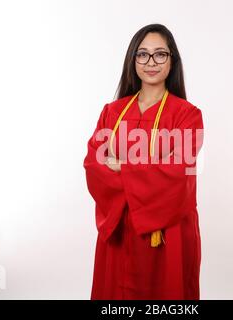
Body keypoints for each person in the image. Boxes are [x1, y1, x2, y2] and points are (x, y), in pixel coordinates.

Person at [83, 23, 204, 300]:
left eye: (160, 54)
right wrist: (148, 169)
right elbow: (93, 164)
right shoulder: (112, 113)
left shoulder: (187, 115)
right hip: (120, 227)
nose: (151, 62)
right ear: (132, 60)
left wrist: (121, 165)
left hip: (167, 233)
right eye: (143, 54)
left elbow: (179, 173)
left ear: (172, 60)